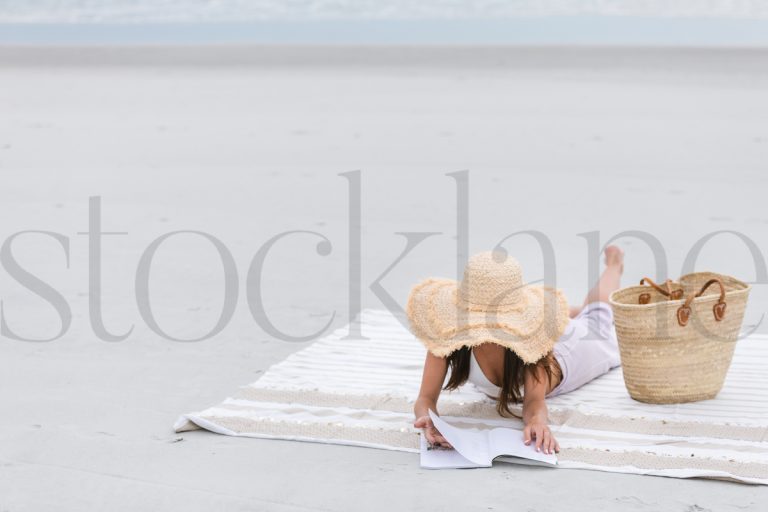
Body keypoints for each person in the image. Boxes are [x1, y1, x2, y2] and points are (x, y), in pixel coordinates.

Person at [406, 246, 624, 455]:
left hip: (568, 354)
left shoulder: (533, 342)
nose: (483, 330)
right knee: (579, 316)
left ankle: (614, 266)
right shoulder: (446, 332)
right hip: (541, 328)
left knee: (597, 318)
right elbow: (425, 399)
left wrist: (537, 422)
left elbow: (533, 401)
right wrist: (427, 420)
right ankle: (566, 314)